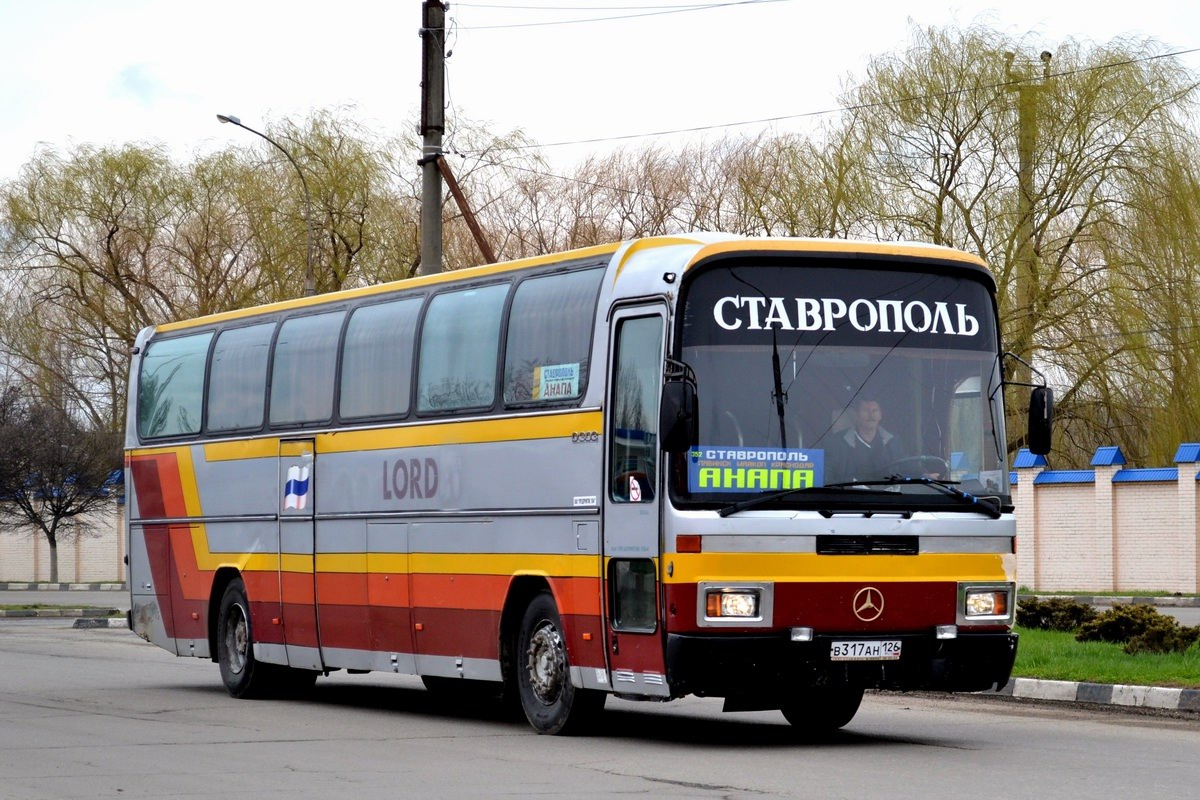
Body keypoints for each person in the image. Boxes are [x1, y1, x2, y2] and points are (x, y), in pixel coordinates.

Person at [827, 397, 902, 483]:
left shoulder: (893, 442)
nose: (871, 414)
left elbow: (905, 470)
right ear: (857, 415)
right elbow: (828, 477)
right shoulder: (837, 443)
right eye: (865, 410)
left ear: (880, 415)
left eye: (874, 410)